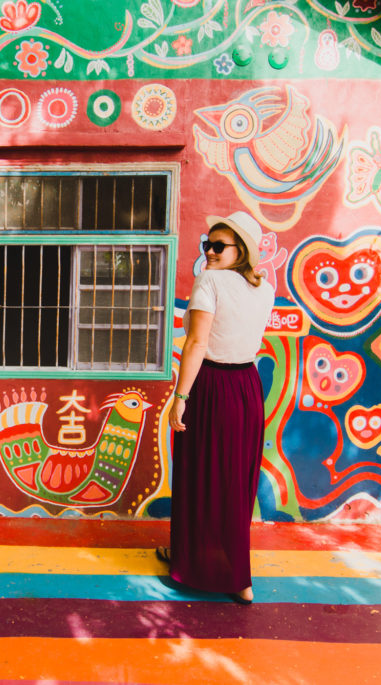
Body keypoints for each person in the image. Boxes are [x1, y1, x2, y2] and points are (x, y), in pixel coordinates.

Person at [157, 211, 275, 605]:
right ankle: (239, 578)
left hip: (210, 386)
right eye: (207, 244)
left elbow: (196, 343)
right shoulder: (266, 288)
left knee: (198, 473)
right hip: (246, 388)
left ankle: (191, 563)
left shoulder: (210, 280)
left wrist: (181, 397)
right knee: (236, 481)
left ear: (241, 251)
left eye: (219, 246)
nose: (209, 251)